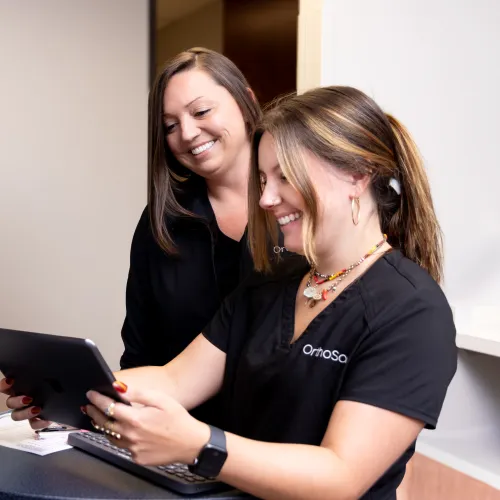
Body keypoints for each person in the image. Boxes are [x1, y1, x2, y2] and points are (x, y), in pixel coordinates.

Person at [1, 86, 456, 499]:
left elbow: (340, 476)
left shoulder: (412, 311)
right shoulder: (269, 284)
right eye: (262, 180)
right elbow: (175, 380)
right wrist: (68, 392)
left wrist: (201, 445)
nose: (265, 199)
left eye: (283, 176)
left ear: (358, 174)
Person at [117, 47, 264, 424]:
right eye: (169, 125)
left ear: (246, 100)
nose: (187, 133)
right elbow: (142, 356)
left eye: (201, 111)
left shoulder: (298, 215)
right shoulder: (162, 223)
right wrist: (75, 402)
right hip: (175, 445)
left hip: (278, 449)